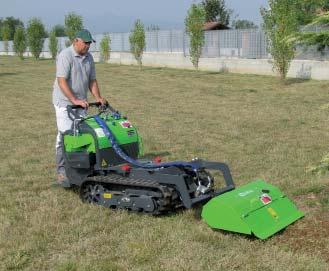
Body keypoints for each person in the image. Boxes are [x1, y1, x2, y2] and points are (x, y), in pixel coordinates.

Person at [52, 29, 106, 186]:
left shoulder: (88, 57)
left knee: (82, 135)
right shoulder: (65, 56)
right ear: (76, 41)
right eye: (86, 42)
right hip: (64, 103)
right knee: (65, 136)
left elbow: (92, 80)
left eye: (90, 43)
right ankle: (62, 172)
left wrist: (98, 98)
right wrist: (74, 99)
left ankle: (82, 168)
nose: (88, 46)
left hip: (81, 103)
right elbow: (62, 81)